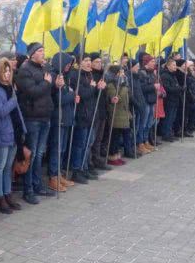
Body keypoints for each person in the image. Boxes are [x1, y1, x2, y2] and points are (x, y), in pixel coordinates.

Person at [15, 42, 54, 205]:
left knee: (39, 154)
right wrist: (46, 83)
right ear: (32, 54)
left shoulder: (44, 69)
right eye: (39, 51)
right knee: (31, 155)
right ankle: (28, 189)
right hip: (32, 118)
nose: (43, 53)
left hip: (45, 116)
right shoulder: (24, 71)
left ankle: (37, 185)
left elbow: (47, 92)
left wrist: (54, 84)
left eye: (43, 50)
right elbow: (33, 92)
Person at [0, 58, 25, 214]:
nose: (8, 74)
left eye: (9, 71)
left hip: (13, 133)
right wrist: (13, 101)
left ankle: (8, 194)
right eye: (5, 70)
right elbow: (0, 111)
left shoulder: (9, 87)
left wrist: (22, 128)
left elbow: (17, 113)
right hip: (1, 133)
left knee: (8, 167)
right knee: (0, 167)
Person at [68, 53, 99, 184]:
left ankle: (84, 167)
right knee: (79, 145)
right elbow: (83, 94)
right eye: (85, 60)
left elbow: (92, 96)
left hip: (89, 115)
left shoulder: (89, 74)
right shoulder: (75, 75)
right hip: (81, 115)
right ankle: (76, 170)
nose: (88, 63)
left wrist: (98, 87)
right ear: (78, 63)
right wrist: (92, 87)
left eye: (89, 60)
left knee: (87, 144)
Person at [47, 53, 76, 192]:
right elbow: (58, 100)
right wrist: (71, 94)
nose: (69, 66)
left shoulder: (66, 77)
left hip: (66, 117)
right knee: (56, 149)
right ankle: (53, 177)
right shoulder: (54, 76)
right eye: (67, 63)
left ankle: (59, 174)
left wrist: (69, 93)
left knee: (62, 149)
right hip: (58, 118)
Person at [106, 65, 133, 164]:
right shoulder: (112, 85)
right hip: (115, 114)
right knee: (114, 137)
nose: (123, 74)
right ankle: (112, 156)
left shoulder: (122, 84)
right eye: (121, 72)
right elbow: (117, 98)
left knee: (118, 136)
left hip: (123, 113)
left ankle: (117, 155)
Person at [128, 59, 149, 155]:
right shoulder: (129, 78)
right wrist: (137, 104)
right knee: (134, 128)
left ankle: (137, 145)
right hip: (135, 106)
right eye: (136, 66)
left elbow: (139, 92)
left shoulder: (136, 77)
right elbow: (130, 94)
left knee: (139, 127)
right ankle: (132, 146)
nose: (138, 68)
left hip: (140, 105)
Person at [160, 58, 183, 142]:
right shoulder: (165, 75)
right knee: (168, 118)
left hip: (175, 99)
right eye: (173, 65)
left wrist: (179, 88)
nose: (175, 67)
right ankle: (166, 134)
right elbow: (168, 88)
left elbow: (175, 85)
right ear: (168, 66)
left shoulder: (173, 75)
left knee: (172, 118)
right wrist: (179, 89)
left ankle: (169, 133)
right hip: (169, 100)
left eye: (175, 65)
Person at [138, 54, 157, 151]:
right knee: (143, 123)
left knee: (149, 123)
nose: (154, 63)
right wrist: (153, 87)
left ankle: (146, 141)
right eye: (152, 61)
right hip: (145, 101)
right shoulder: (142, 73)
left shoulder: (152, 73)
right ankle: (140, 143)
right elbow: (141, 88)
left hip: (152, 100)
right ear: (146, 62)